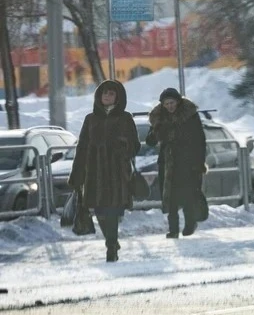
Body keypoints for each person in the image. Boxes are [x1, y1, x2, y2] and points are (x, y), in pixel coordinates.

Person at [68, 80, 140, 262]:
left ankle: (111, 246)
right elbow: (82, 147)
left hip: (116, 172)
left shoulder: (125, 118)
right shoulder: (90, 119)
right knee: (99, 210)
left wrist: (123, 146)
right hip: (94, 173)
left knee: (112, 211)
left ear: (118, 97)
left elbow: (135, 146)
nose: (107, 97)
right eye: (104, 93)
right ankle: (112, 241)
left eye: (111, 94)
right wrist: (77, 175)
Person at [146, 88, 207, 239]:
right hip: (167, 162)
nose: (169, 106)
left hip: (187, 161)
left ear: (178, 101)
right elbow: (150, 141)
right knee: (170, 197)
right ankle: (173, 229)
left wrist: (199, 162)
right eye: (166, 104)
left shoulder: (190, 115)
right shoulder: (158, 117)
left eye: (172, 103)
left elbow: (200, 139)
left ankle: (189, 223)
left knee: (187, 194)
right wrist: (155, 130)